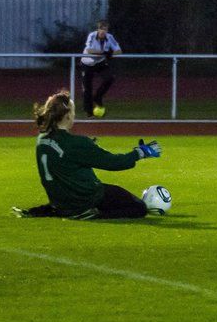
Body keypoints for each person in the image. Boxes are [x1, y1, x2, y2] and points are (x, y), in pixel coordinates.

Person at [12, 89, 162, 219]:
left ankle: (51, 210)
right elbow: (114, 162)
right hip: (86, 198)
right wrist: (140, 152)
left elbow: (65, 157)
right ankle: (92, 214)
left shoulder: (42, 139)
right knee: (139, 208)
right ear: (68, 116)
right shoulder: (76, 144)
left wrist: (87, 148)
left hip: (60, 201)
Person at [80, 19, 122, 118]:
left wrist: (111, 53)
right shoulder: (91, 36)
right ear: (98, 29)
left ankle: (98, 97)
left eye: (105, 29)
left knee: (110, 77)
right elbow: (89, 50)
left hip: (99, 63)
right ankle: (89, 112)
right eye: (101, 29)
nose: (103, 32)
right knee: (87, 88)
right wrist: (103, 53)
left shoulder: (109, 37)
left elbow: (119, 51)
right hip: (87, 63)